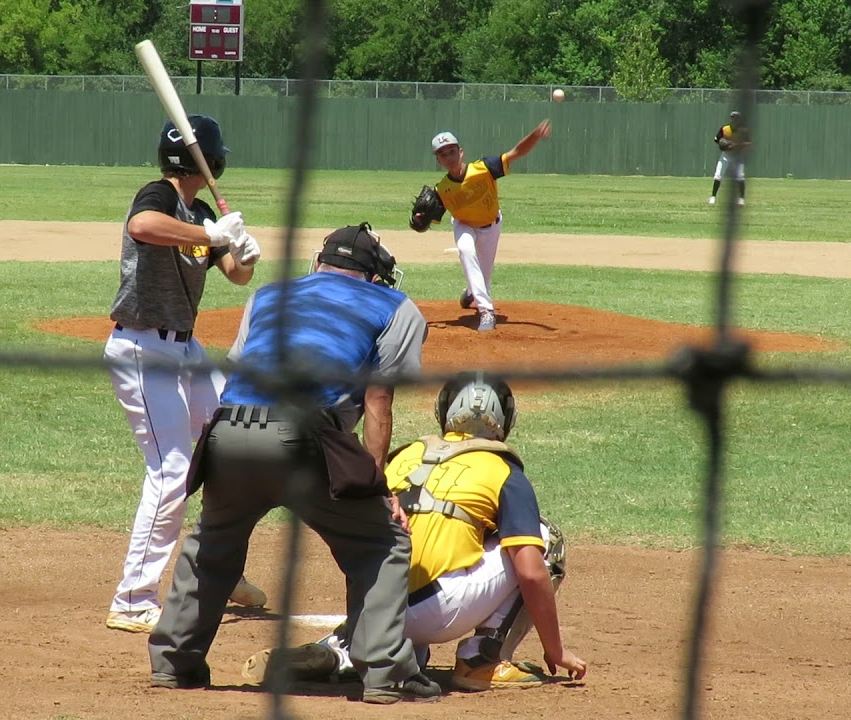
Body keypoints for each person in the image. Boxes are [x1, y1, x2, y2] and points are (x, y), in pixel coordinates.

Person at [148, 223, 439, 705]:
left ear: (320, 263)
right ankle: (386, 672)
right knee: (381, 544)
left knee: (212, 545)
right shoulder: (395, 307)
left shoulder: (268, 296)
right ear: (373, 275)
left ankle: (173, 663)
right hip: (303, 436)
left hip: (228, 431)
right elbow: (378, 399)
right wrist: (376, 481)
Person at [242, 374, 588, 692]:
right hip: (436, 612)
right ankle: (480, 659)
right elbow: (529, 571)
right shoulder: (503, 470)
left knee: (410, 627)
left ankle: (350, 649)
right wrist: (554, 649)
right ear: (504, 420)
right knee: (542, 540)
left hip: (374, 603)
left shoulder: (405, 454)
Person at [103, 113, 268, 635]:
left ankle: (219, 566)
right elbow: (142, 228)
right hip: (141, 347)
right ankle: (133, 599)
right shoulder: (157, 197)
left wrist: (242, 253)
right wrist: (209, 231)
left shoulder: (197, 212)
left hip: (185, 348)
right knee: (172, 469)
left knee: (232, 440)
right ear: (212, 160)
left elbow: (236, 276)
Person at [415, 120, 552, 333]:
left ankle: (472, 291)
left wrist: (535, 136)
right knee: (466, 249)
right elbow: (427, 223)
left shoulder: (485, 167)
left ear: (461, 152)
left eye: (452, 151)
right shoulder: (442, 189)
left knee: (484, 277)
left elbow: (516, 152)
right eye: (443, 154)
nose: (449, 157)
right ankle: (486, 310)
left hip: (491, 226)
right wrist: (418, 221)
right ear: (438, 160)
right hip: (463, 225)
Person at [709, 110, 750, 206]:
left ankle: (741, 199)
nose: (734, 120)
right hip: (726, 156)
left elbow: (749, 143)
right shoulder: (724, 129)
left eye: (736, 118)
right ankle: (713, 197)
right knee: (718, 175)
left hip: (737, 156)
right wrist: (723, 144)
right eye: (732, 118)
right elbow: (717, 139)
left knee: (740, 176)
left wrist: (734, 145)